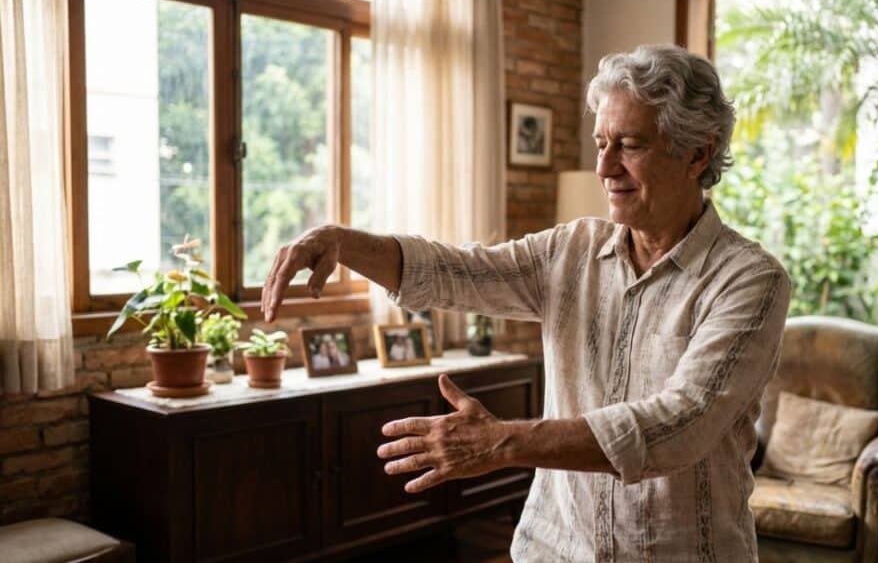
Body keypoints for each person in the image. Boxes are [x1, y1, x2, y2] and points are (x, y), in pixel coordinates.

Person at [261, 44, 790, 562]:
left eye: (630, 145)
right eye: (600, 143)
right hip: (552, 549)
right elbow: (455, 271)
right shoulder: (570, 249)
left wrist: (501, 441)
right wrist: (344, 242)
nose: (605, 167)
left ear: (697, 154)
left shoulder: (750, 280)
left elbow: (679, 426)